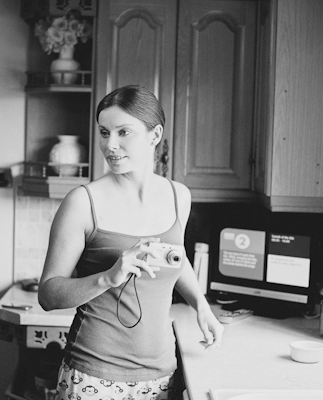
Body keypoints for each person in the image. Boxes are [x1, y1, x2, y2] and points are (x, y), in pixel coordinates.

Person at [39, 85, 224, 400]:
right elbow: (48, 293)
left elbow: (176, 259)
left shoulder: (179, 197)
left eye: (124, 132)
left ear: (155, 135)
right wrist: (108, 276)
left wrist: (201, 306)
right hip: (93, 376)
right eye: (104, 132)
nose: (110, 145)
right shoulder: (83, 202)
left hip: (161, 374)